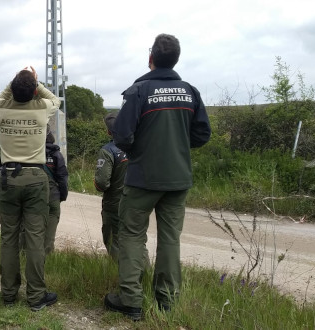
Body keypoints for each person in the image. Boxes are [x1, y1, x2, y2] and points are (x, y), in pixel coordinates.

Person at [105, 34, 211, 320]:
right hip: (178, 180)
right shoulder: (190, 91)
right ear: (176, 59)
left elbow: (122, 135)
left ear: (150, 58)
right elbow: (202, 134)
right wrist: (175, 144)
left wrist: (143, 149)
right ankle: (166, 301)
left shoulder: (139, 91)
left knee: (131, 236)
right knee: (170, 239)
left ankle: (131, 300)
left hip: (141, 179)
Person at [0, 66, 59, 311]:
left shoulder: (2, 109)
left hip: (8, 177)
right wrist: (36, 82)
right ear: (33, 91)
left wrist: (17, 83)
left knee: (9, 238)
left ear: (12, 88)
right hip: (35, 178)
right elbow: (55, 99)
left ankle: (9, 294)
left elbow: (1, 95)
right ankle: (36, 296)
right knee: (34, 238)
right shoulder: (42, 109)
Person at [94, 112, 128, 261]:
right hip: (139, 203)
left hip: (115, 205)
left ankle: (120, 278)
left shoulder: (108, 151)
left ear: (108, 131)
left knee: (114, 242)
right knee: (138, 240)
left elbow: (101, 183)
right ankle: (144, 276)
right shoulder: (141, 145)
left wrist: (96, 183)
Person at [42, 130, 68, 254]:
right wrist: (62, 196)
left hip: (35, 196)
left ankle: (27, 254)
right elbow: (62, 178)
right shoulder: (56, 155)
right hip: (53, 196)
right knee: (50, 231)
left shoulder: (31, 153)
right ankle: (47, 256)